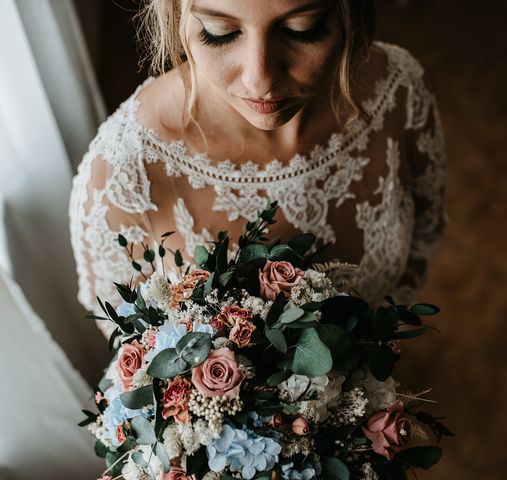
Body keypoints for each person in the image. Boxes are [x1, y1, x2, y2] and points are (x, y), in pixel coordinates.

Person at [69, 0, 447, 336]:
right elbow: (133, 343)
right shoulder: (123, 175)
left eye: (303, 29)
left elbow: (425, 231)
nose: (260, 79)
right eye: (219, 33)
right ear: (175, 12)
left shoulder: (397, 90)